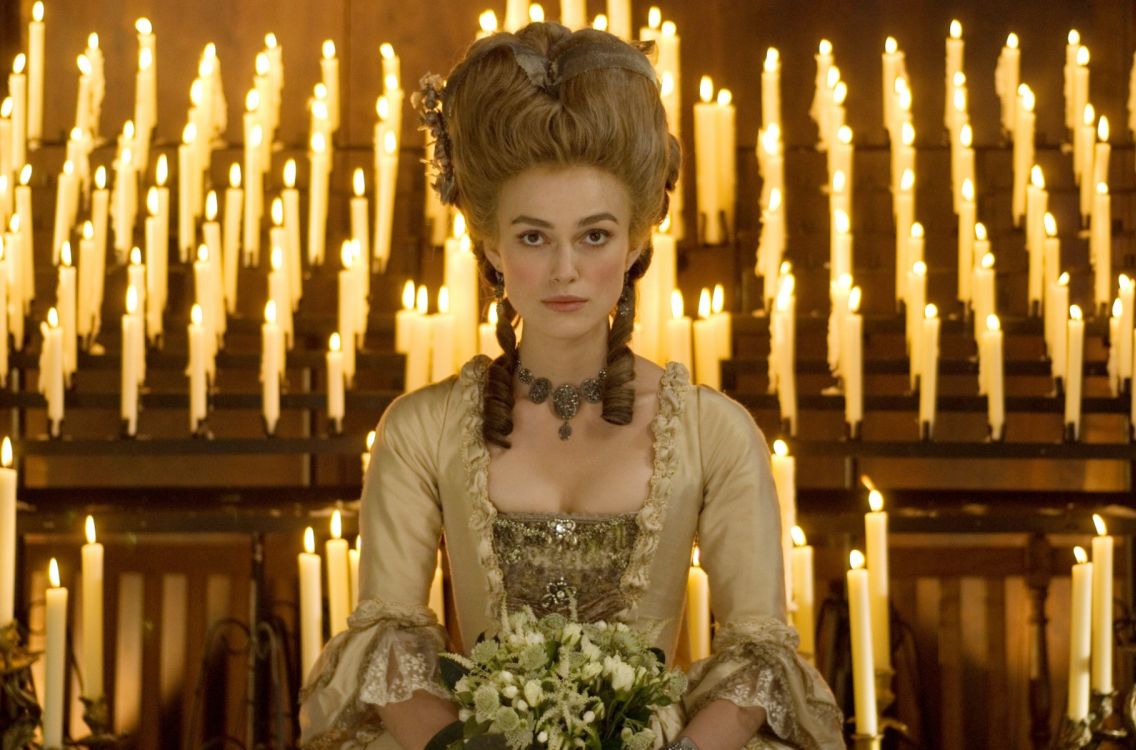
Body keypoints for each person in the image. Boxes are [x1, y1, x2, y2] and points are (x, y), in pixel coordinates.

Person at [298, 21, 843, 750]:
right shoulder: (420, 430)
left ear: (638, 238)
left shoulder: (716, 433)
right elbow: (389, 647)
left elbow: (757, 660)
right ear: (490, 243)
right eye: (533, 237)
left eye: (594, 235)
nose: (565, 271)